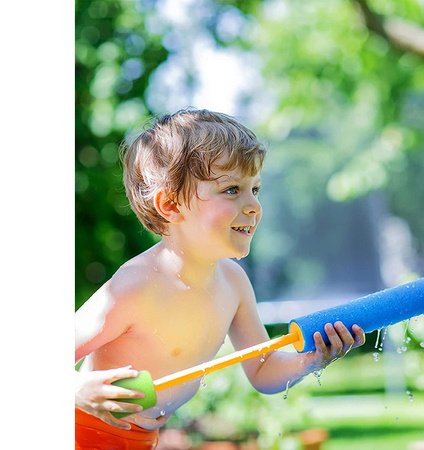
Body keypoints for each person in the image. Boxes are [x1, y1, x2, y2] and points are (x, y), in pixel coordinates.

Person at [75, 108, 366, 449]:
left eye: (255, 189)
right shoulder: (136, 286)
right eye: (232, 190)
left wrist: (311, 359)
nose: (254, 205)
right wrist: (76, 389)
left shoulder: (233, 283)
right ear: (170, 205)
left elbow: (263, 370)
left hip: (142, 440)